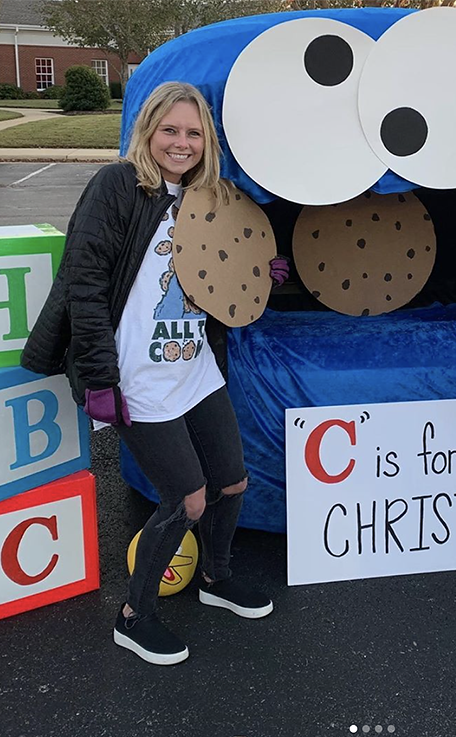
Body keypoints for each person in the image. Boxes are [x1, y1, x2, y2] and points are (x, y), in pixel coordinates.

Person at [21, 81, 290, 665]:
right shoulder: (118, 186)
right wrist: (99, 378)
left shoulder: (211, 198)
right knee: (185, 500)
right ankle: (133, 616)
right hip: (135, 375)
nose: (182, 143)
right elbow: (84, 285)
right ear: (147, 130)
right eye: (171, 130)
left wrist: (261, 272)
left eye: (194, 133)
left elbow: (226, 274)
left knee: (233, 481)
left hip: (194, 368)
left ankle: (215, 580)